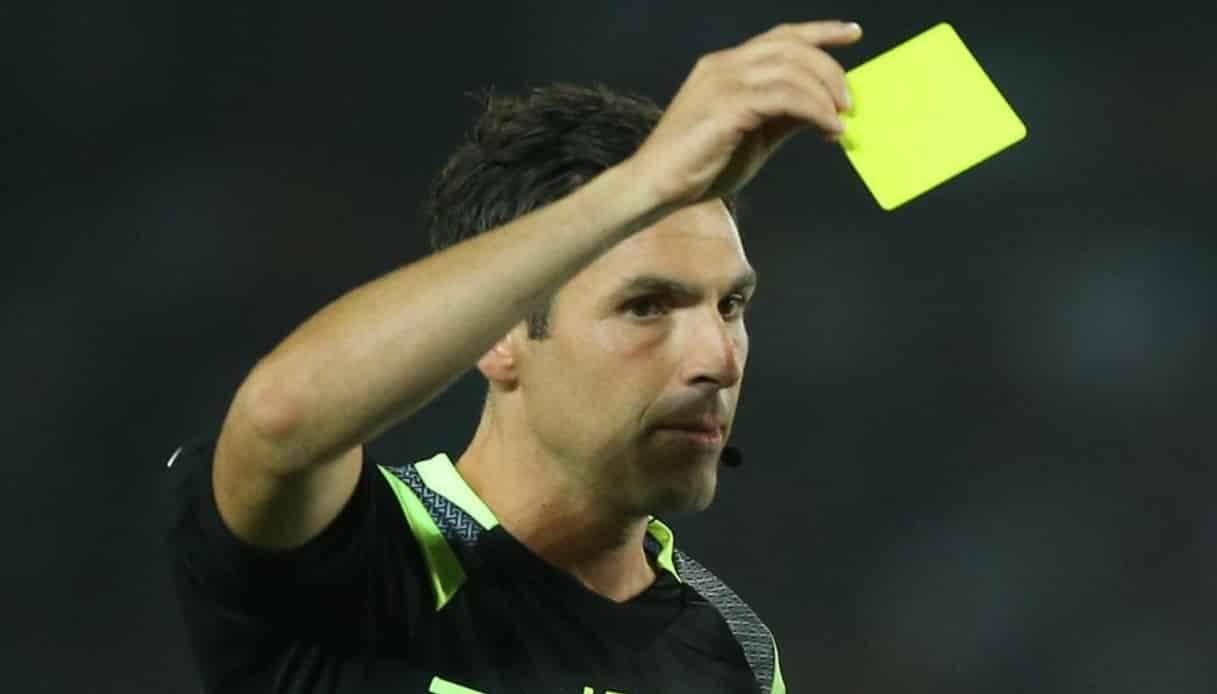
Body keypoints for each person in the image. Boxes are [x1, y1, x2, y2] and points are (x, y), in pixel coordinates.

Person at [166, 19, 862, 694]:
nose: (719, 357)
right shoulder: (356, 561)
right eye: (645, 306)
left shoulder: (734, 653)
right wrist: (641, 186)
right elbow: (282, 414)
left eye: (730, 306)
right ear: (498, 336)